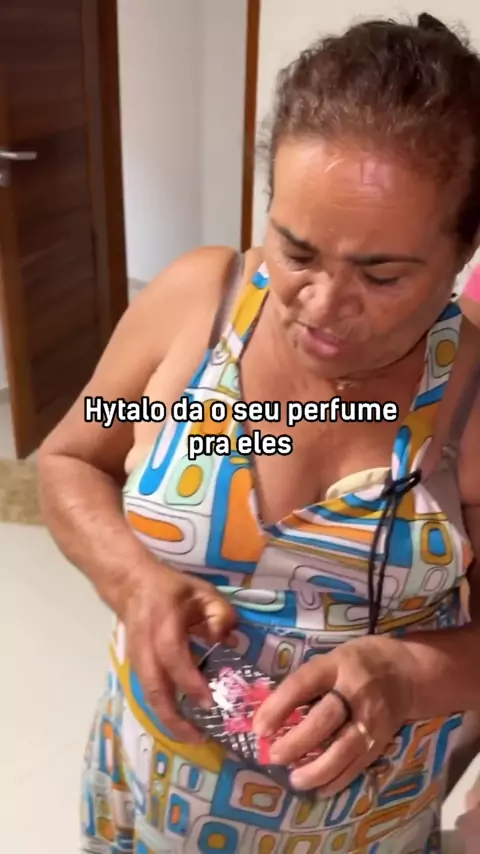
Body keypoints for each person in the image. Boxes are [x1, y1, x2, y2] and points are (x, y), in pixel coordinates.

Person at [38, 13, 480, 854]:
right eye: (297, 251)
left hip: (363, 831)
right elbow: (73, 454)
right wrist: (132, 578)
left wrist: (407, 673)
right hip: (144, 799)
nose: (322, 305)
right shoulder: (197, 304)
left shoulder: (471, 396)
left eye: (381, 274)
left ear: (464, 250)